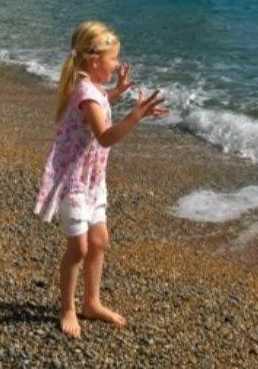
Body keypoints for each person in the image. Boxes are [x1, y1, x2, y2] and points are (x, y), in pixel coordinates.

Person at [35, 21, 168, 338]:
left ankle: (92, 302)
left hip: (94, 181)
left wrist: (117, 91)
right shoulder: (85, 92)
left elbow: (99, 99)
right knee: (79, 248)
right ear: (95, 60)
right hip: (75, 182)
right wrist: (136, 115)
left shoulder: (91, 88)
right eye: (113, 59)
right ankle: (68, 307)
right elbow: (105, 137)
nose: (117, 64)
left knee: (100, 242)